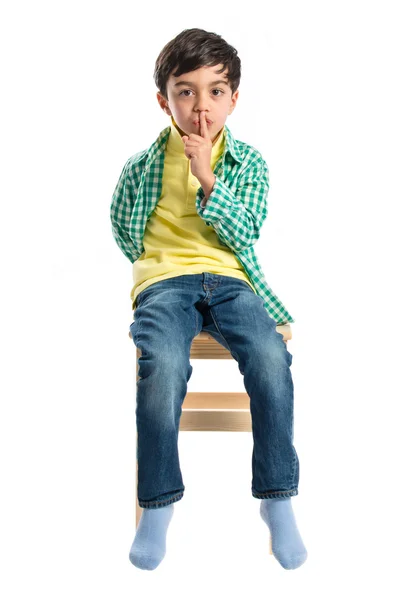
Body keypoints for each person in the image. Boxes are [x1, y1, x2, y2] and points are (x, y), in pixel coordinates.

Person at [110, 27, 307, 571]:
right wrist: (158, 268)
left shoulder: (248, 164)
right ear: (164, 100)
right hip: (164, 283)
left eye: (216, 92)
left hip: (232, 279)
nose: (202, 107)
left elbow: (246, 233)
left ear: (234, 98)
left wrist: (207, 178)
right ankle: (157, 508)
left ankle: (278, 500)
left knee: (270, 360)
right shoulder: (140, 167)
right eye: (186, 91)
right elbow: (126, 231)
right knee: (163, 368)